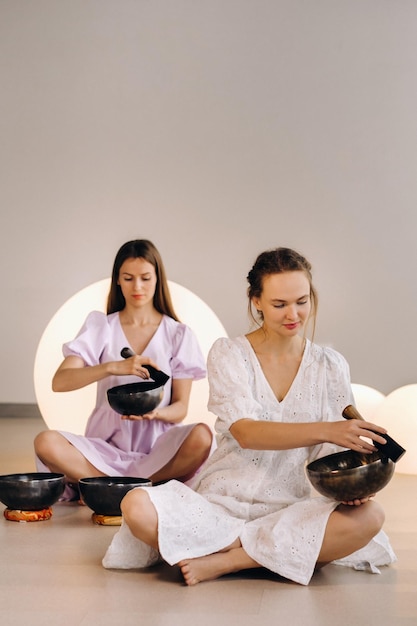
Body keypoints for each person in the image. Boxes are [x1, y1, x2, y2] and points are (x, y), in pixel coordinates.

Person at [102, 247, 396, 585]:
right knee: (136, 505)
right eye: (279, 304)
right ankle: (275, 554)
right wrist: (328, 430)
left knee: (369, 516)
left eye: (302, 301)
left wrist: (351, 487)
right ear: (256, 300)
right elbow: (246, 432)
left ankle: (230, 560)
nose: (293, 314)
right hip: (219, 505)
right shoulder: (229, 354)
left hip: (287, 511)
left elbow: (328, 455)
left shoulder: (330, 366)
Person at [34, 239, 213, 499]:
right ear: (117, 280)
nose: (137, 286)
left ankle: (119, 487)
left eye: (145, 278)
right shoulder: (101, 327)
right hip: (103, 449)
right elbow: (60, 382)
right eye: (128, 278)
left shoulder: (178, 334)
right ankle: (133, 486)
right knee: (45, 441)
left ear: (157, 279)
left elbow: (180, 408)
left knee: (203, 436)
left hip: (159, 450)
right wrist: (113, 367)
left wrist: (154, 415)